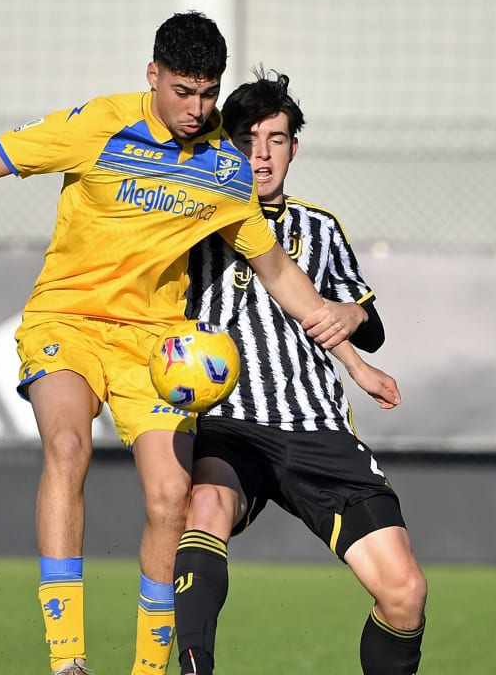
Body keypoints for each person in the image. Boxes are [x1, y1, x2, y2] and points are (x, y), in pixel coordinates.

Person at [0, 14, 400, 675]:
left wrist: (348, 349)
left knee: (169, 497)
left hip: (153, 346)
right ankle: (68, 660)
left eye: (209, 94)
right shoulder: (95, 127)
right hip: (66, 323)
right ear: (153, 76)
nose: (198, 109)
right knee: (67, 447)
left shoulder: (223, 168)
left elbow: (276, 272)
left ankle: (149, 669)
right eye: (184, 91)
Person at [173, 69, 427, 675]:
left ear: (293, 148)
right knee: (205, 508)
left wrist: (350, 313)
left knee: (405, 594)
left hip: (317, 430)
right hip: (227, 425)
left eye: (276, 139)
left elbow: (369, 322)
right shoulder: (189, 225)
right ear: (223, 144)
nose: (261, 155)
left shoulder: (320, 229)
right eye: (246, 139)